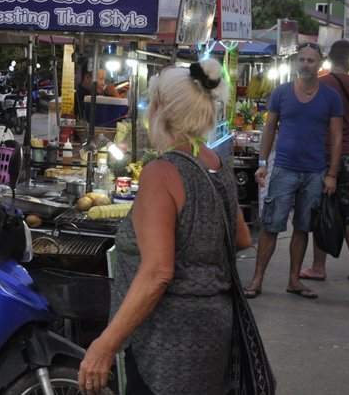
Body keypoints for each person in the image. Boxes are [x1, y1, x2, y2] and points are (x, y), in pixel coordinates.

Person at [78, 60, 252, 394]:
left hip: (167, 339)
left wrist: (105, 345)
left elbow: (158, 272)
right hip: (214, 326)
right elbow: (241, 237)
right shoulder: (216, 162)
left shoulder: (162, 172)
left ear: (159, 109)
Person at [244, 42, 342, 300]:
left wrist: (332, 173)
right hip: (284, 169)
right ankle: (257, 279)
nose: (306, 65)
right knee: (271, 226)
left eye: (311, 60)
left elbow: (336, 136)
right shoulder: (281, 92)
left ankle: (294, 279)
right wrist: (262, 164)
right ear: (295, 62)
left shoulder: (331, 97)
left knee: (303, 227)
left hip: (315, 172)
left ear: (320, 64)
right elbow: (269, 129)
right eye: (302, 60)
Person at [300, 40, 349, 284]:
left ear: (329, 59)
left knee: (323, 210)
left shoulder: (321, 84)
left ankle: (318, 267)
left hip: (324, 155)